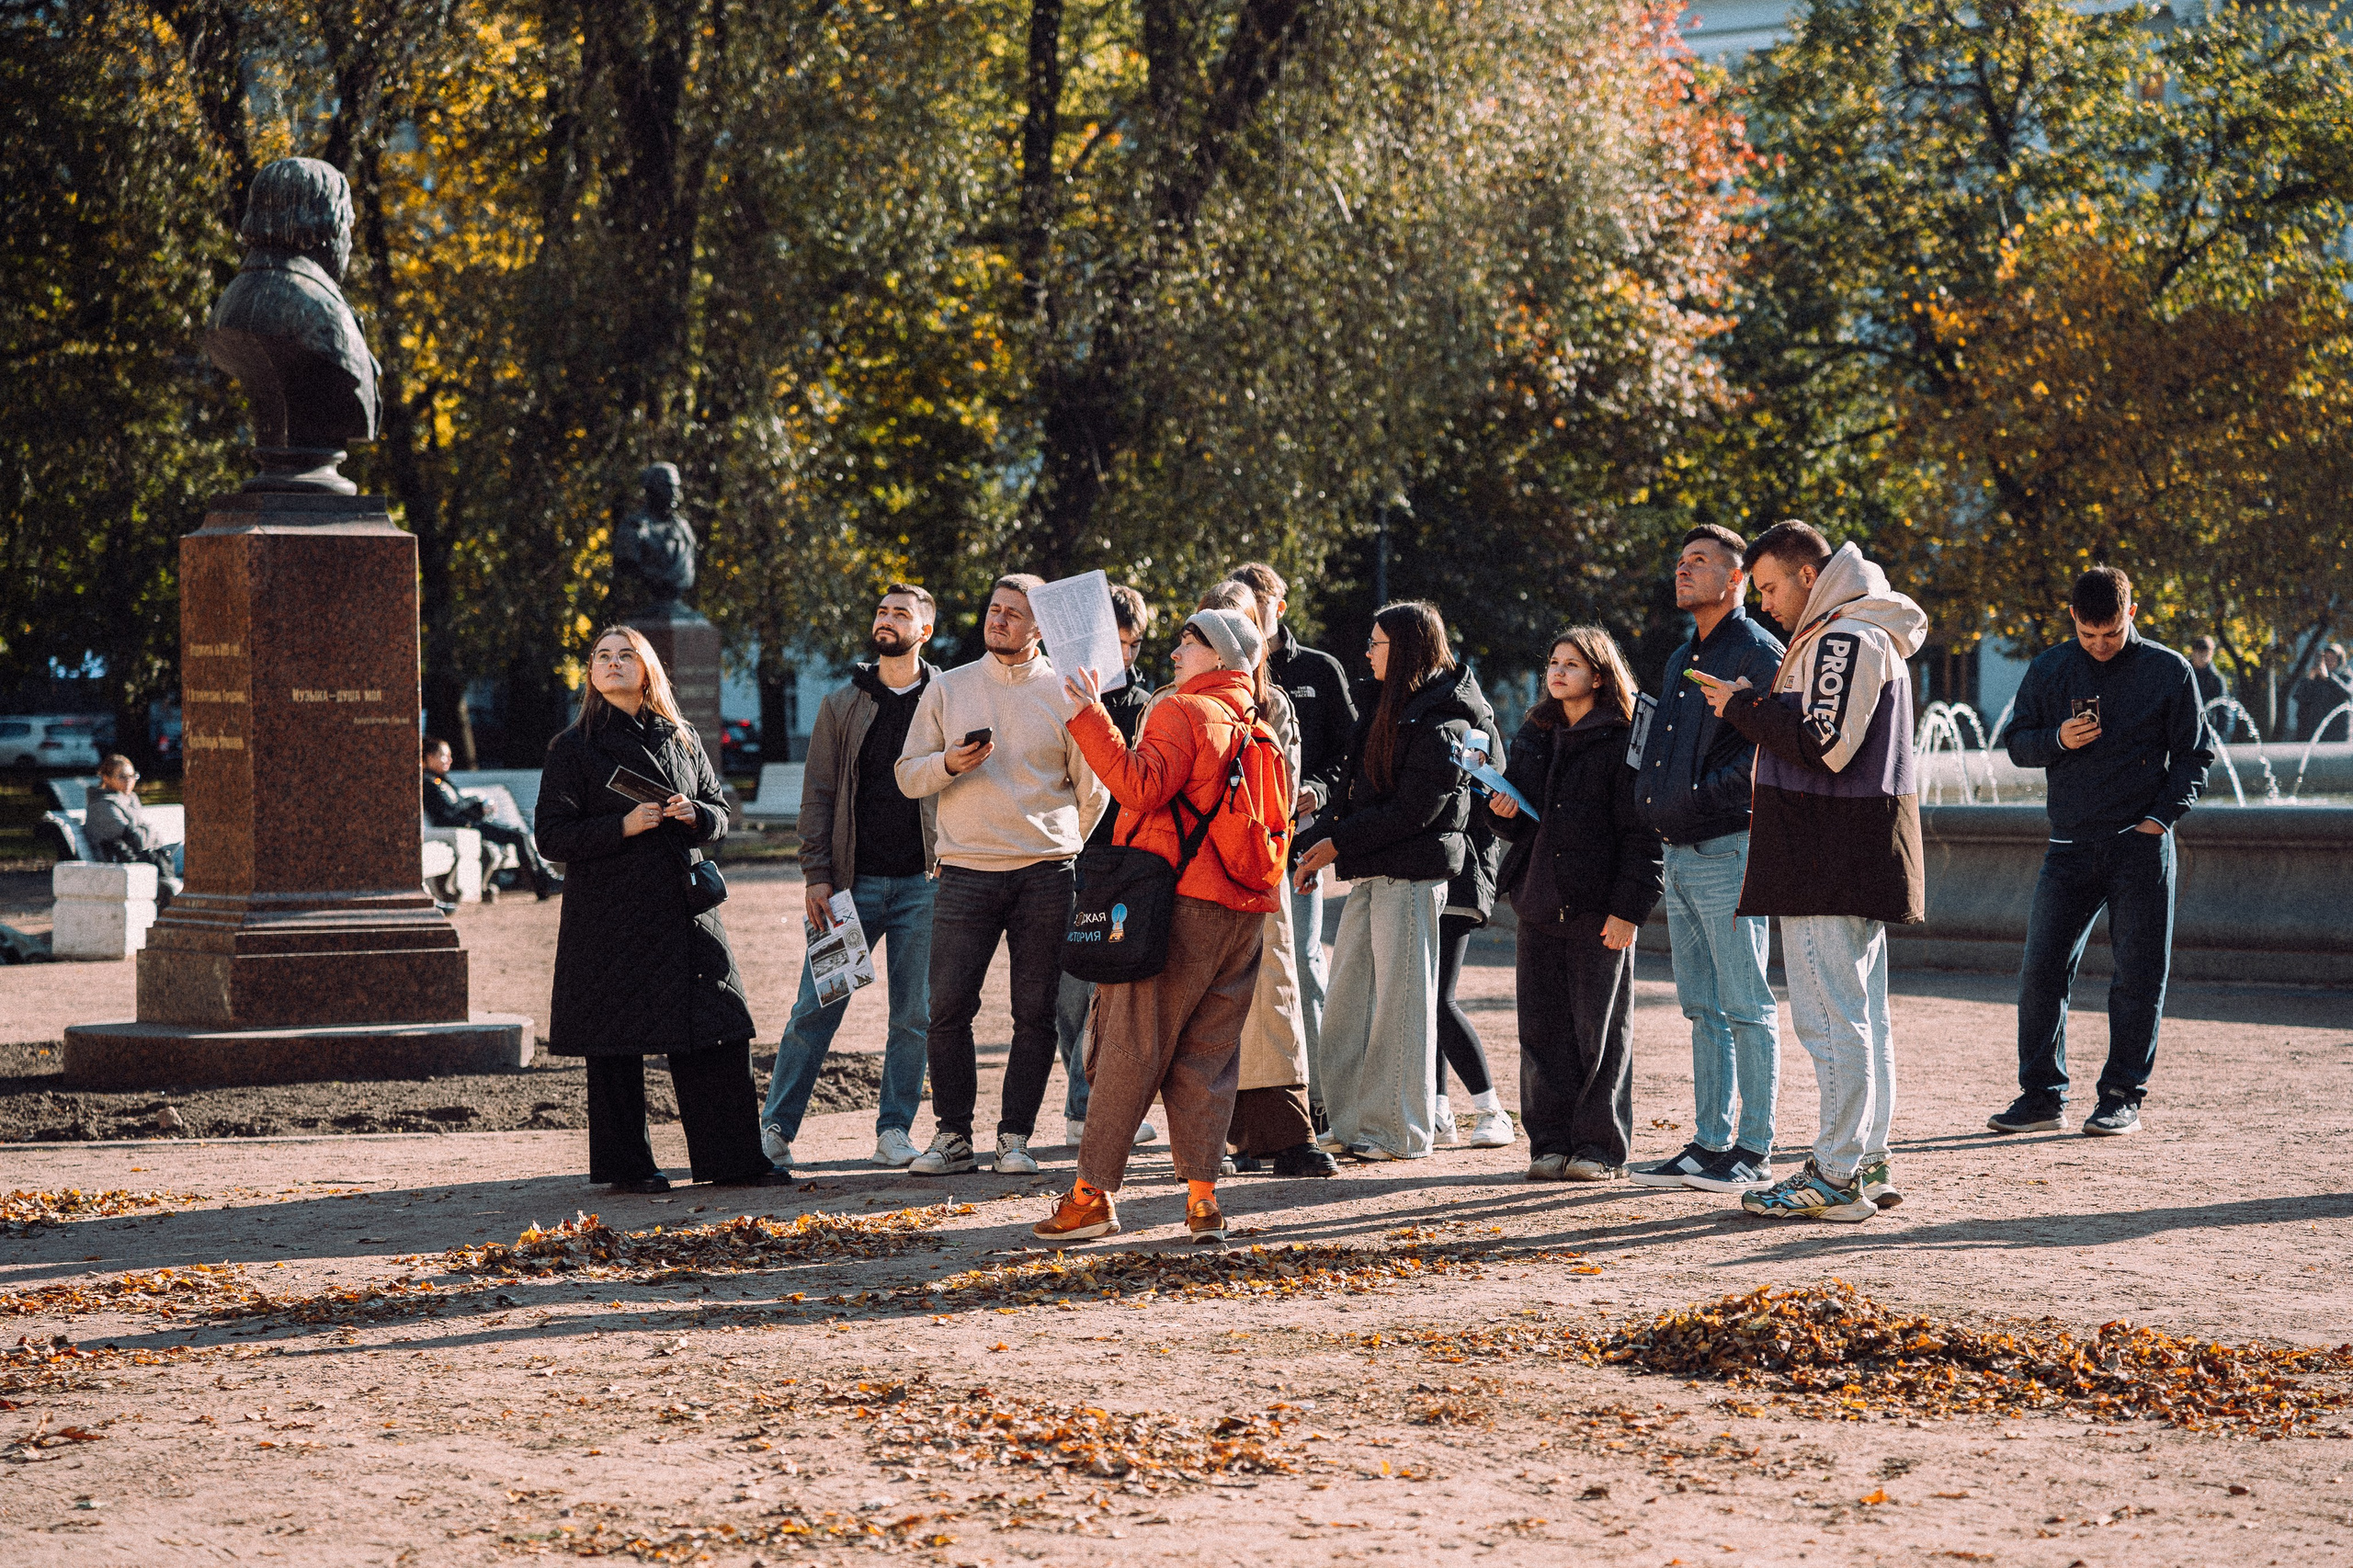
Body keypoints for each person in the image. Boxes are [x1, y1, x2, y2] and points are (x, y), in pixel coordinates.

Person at [1032, 608, 1291, 1244]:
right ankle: (1203, 1202)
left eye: (1190, 641)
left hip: (1176, 907)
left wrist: (1089, 714)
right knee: (1207, 1057)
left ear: (1222, 656)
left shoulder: (1184, 711)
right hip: (1241, 913)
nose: (1177, 652)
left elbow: (1139, 787)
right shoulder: (1256, 722)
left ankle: (1091, 1197)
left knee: (1128, 1048)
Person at [1695, 522, 1927, 1223]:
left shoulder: (1844, 637)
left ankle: (1836, 1172)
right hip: (1847, 845)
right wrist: (1761, 704)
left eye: (1768, 587)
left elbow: (1823, 742)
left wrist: (1741, 708)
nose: (1764, 604)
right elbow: (1832, 727)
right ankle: (1865, 1161)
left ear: (1807, 576)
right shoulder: (1859, 633)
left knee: (1831, 1018)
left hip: (1827, 848)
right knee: (1861, 1017)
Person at [535, 627, 783, 1194]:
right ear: (592, 673)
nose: (613, 664)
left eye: (626, 656)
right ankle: (627, 1169)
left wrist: (694, 812)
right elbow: (550, 836)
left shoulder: (683, 735)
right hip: (611, 913)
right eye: (602, 657)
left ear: (647, 669)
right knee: (617, 1039)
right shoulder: (573, 747)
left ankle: (733, 1161)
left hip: (685, 906)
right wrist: (621, 826)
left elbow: (720, 812)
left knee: (716, 1024)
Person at [1989, 567, 2214, 1139]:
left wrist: (2159, 821)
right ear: (2074, 620)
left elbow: (2195, 756)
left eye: (2111, 633)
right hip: (2068, 847)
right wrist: (2057, 740)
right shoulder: (2049, 668)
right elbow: (2016, 744)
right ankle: (2041, 1095)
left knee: (2138, 977)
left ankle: (2120, 1097)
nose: (2101, 645)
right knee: (2040, 971)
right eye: (2090, 635)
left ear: (2131, 612)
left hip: (2139, 847)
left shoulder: (2170, 669)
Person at [896, 575, 1109, 1176]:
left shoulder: (1065, 694)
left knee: (1034, 1013)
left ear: (1040, 628)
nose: (1000, 621)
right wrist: (948, 764)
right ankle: (952, 1137)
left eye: (1014, 614)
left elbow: (1093, 791)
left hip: (1046, 877)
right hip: (965, 873)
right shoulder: (949, 688)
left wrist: (1056, 844)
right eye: (995, 610)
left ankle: (1014, 1138)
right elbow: (909, 776)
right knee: (948, 1008)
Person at [758, 585, 944, 1172]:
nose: (886, 621)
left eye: (901, 614)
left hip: (925, 884)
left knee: (912, 1017)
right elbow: (817, 796)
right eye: (883, 611)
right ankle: (774, 1129)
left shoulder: (947, 699)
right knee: (815, 1008)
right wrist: (817, 875)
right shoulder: (842, 703)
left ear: (925, 632)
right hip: (849, 888)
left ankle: (894, 1131)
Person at [1292, 600, 1482, 1163]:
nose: (1368, 653)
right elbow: (1351, 791)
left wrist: (1336, 843)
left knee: (1402, 1003)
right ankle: (1349, 1122)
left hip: (1414, 872)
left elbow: (1417, 810)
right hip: (1371, 869)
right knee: (1350, 997)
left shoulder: (1449, 715)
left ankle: (1397, 1129)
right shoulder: (1378, 704)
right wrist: (1315, 844)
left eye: (1377, 644)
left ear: (1405, 650)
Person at [1629, 526, 1786, 1195]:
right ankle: (1708, 1142)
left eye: (1700, 562)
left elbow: (1765, 751)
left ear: (1737, 579)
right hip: (1682, 851)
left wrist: (1691, 799)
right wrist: (1655, 801)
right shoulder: (1679, 657)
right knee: (1701, 1006)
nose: (1683, 571)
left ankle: (1753, 1149)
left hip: (1729, 846)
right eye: (1680, 560)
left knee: (1745, 1002)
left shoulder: (1757, 650)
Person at [1489, 629, 1664, 1180]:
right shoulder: (1535, 731)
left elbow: (1644, 834)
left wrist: (1629, 910)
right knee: (1542, 1032)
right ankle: (1550, 1142)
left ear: (1600, 674)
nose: (1557, 671)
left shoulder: (1626, 736)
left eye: (1572, 663)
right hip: (1539, 900)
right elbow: (1516, 822)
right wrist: (1501, 809)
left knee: (1602, 1034)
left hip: (1598, 908)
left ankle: (1598, 1148)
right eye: (1553, 662)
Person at [1195, 580, 1333, 1178]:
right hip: (1197, 876)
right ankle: (1215, 1139)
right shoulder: (1173, 702)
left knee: (1272, 1007)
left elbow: (1283, 784)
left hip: (1258, 868)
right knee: (1207, 1011)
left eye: (1245, 622)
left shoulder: (1275, 705)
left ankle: (1281, 1136)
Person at [1230, 562, 1356, 1121]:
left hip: (1298, 845)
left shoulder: (1319, 670)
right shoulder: (1223, 666)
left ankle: (1320, 1097)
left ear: (1280, 608)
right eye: (1242, 603)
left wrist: (1319, 791)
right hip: (1232, 851)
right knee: (1239, 971)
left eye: (1261, 603)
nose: (1252, 612)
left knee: (1303, 964)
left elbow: (1349, 755)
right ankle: (1246, 1098)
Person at [1055, 583, 1158, 1151]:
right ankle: (1083, 1099)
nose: (1122, 658)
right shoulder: (1057, 688)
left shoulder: (1143, 704)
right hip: (1061, 854)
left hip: (1115, 861)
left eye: (1132, 645)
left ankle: (1084, 1103)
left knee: (1100, 983)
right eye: (1113, 643)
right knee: (1068, 995)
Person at [1433, 708, 1515, 1150]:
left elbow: (1489, 797)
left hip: (1460, 878)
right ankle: (1440, 1110)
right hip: (1423, 875)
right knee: (1424, 999)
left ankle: (1491, 1110)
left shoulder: (1474, 723)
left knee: (1438, 998)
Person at [424, 736, 563, 900]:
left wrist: (479, 805)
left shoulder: (441, 780)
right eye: (444, 756)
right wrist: (475, 805)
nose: (450, 760)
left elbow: (458, 803)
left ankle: (544, 880)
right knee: (518, 836)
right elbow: (448, 811)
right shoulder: (428, 782)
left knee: (519, 834)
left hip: (471, 825)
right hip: (465, 827)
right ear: (429, 757)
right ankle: (542, 884)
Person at [85, 756, 182, 906]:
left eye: (132, 776)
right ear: (106, 778)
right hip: (119, 868)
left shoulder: (130, 799)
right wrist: (147, 831)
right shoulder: (102, 806)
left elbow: (145, 835)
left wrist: (144, 831)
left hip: (141, 860)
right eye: (122, 776)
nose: (129, 781)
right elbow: (137, 839)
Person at [2292, 643, 2351, 742]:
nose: (2328, 662)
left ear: (2339, 660)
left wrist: (2329, 678)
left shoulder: (2345, 675)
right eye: (2326, 659)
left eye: (2332, 659)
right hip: (2316, 735)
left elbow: (2347, 694)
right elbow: (2299, 697)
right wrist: (2310, 678)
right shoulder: (2315, 679)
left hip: (2338, 736)